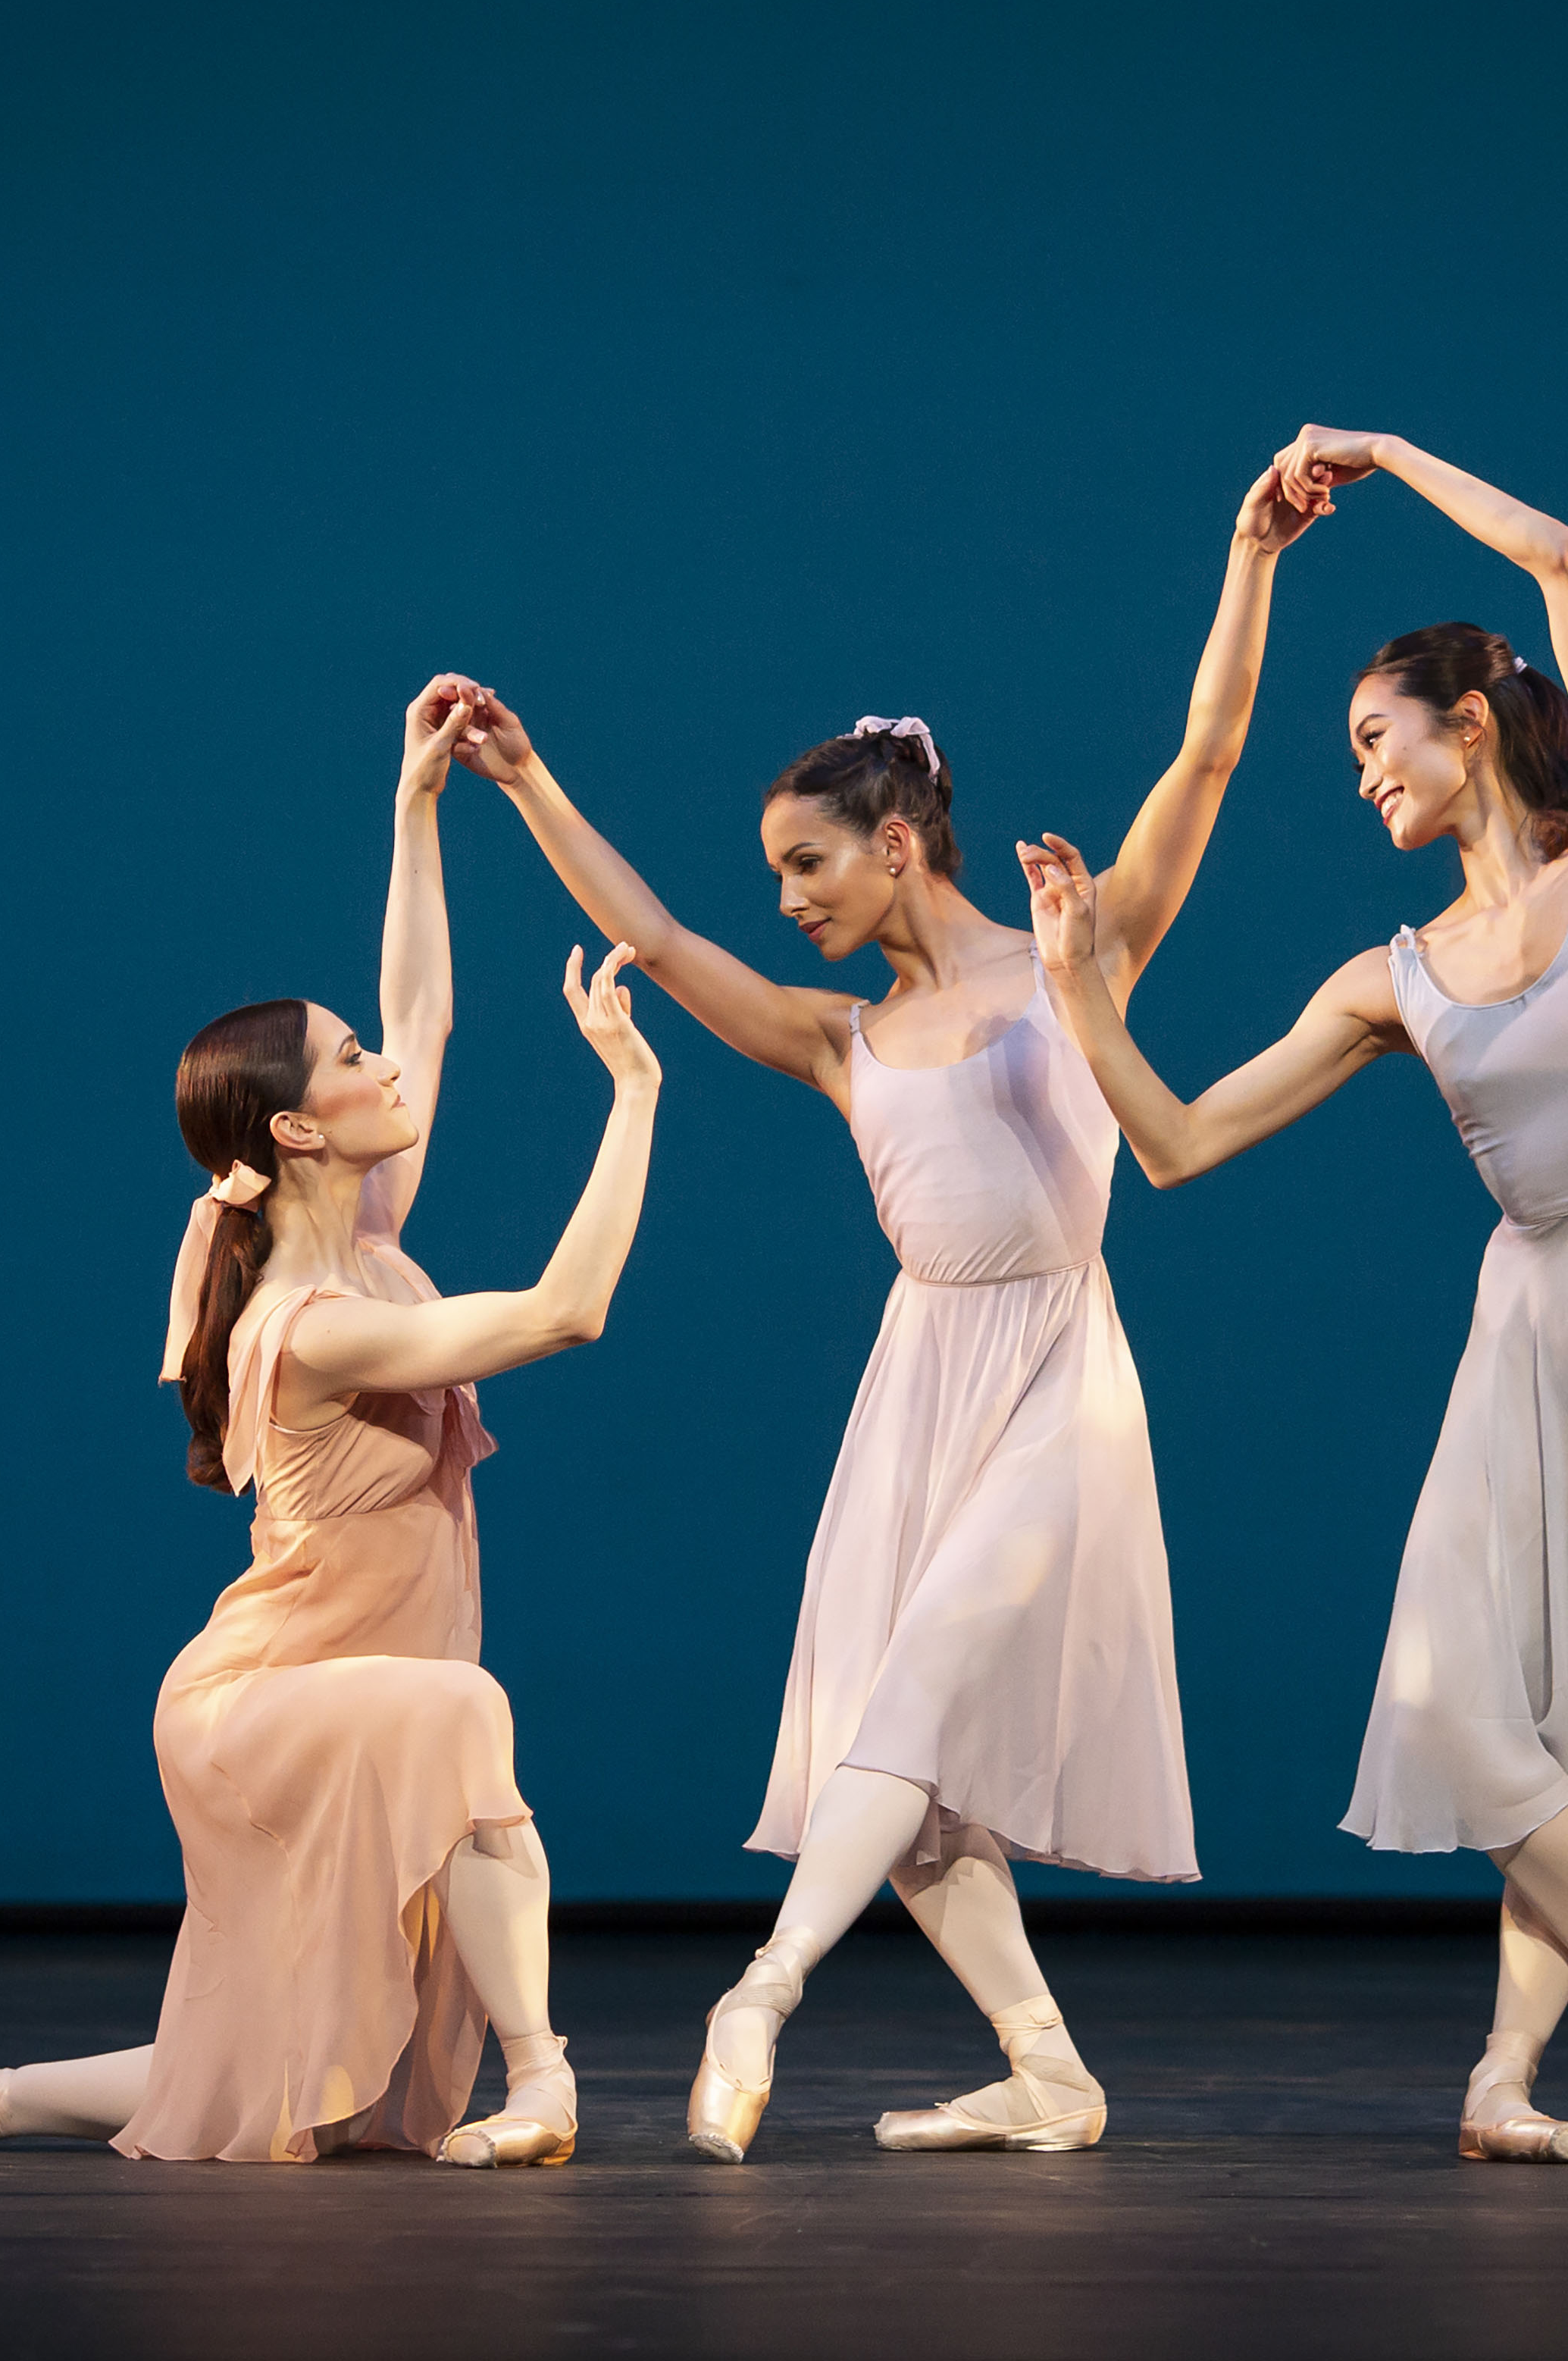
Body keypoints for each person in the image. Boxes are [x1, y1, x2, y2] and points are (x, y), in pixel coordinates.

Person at [448, 463, 1324, 2159]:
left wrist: (1246, 557)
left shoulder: (1079, 952)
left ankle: (762, 1989)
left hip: (1059, 1373)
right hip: (918, 1379)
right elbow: (655, 933)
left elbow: (1206, 755)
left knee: (910, 1699)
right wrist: (530, 783)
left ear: (896, 844)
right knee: (907, 1770)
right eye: (778, 875)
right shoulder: (835, 1040)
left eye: (807, 865)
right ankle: (1048, 2067)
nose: (789, 898)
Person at [1017, 426, 1568, 2163]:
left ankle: (1502, 2084)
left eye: (1378, 743)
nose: (1361, 778)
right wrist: (1079, 989)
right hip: (1527, 1331)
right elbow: (1173, 1145)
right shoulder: (1391, 981)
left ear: (1471, 730)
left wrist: (1384, 454)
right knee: (1463, 1699)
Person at [0, 675, 663, 2168]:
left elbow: (426, 1004)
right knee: (470, 1718)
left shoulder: (359, 1227)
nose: (390, 1062)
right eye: (353, 1061)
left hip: (332, 1685)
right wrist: (633, 1094)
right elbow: (567, 1313)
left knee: (310, 2070)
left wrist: (415, 808)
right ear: (301, 1127)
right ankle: (547, 2083)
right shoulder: (311, 1325)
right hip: (261, 1704)